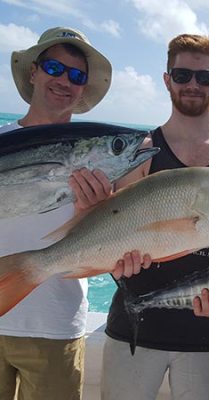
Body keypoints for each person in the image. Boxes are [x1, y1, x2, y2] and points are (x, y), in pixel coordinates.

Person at [101, 33, 209, 400]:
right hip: (134, 329)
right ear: (167, 80)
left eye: (204, 77)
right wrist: (117, 264)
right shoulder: (139, 155)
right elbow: (111, 236)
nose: (193, 84)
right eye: (182, 75)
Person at [0, 27, 112, 400]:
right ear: (33, 71)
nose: (64, 80)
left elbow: (106, 248)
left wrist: (91, 211)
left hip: (54, 325)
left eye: (77, 75)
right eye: (54, 67)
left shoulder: (102, 164)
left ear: (82, 90)